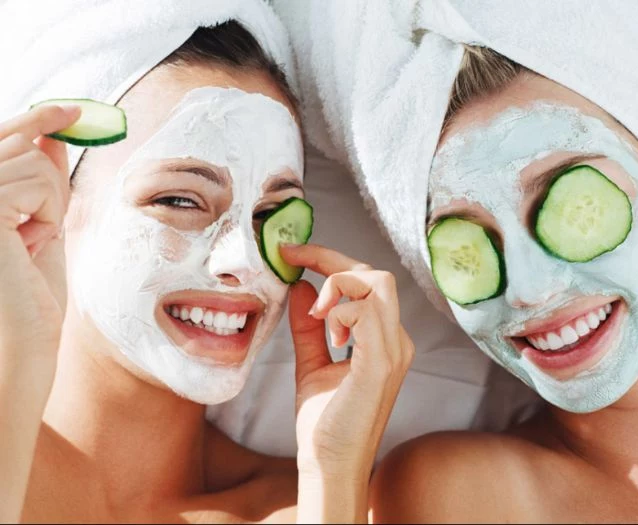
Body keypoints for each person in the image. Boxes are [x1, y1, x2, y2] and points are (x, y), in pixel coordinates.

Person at [266, 1, 638, 521]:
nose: (529, 291)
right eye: (469, 247)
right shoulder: (466, 495)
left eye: (568, 203)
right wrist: (331, 472)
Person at [0, 7, 412, 523]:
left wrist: (333, 474)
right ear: (51, 206)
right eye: (179, 200)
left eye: (268, 214)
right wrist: (17, 351)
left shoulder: (320, 502)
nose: (243, 261)